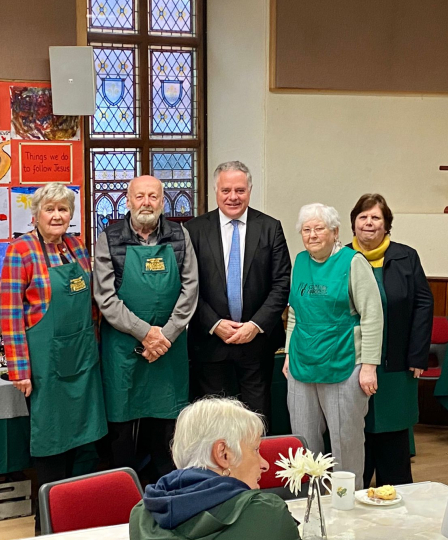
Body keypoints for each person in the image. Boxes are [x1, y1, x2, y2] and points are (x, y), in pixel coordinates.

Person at [0, 184, 107, 533]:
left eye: (64, 209)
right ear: (36, 214)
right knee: (51, 445)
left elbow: (92, 305)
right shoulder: (21, 251)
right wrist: (20, 370)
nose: (58, 216)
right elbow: (11, 313)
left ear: (71, 214)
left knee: (84, 443)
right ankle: (47, 524)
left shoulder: (77, 247)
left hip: (82, 361)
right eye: (50, 210)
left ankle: (77, 520)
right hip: (45, 366)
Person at [94, 175, 198, 480]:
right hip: (124, 350)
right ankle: (120, 496)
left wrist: (165, 335)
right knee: (121, 435)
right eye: (140, 197)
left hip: (170, 348)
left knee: (166, 431)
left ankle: (164, 492)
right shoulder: (109, 238)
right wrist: (146, 333)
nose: (146, 203)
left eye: (153, 196)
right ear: (128, 201)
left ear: (162, 201)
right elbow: (105, 297)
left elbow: (191, 289)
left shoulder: (180, 236)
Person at [283, 203, 383, 489]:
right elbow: (294, 313)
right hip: (303, 363)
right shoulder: (300, 261)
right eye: (306, 230)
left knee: (345, 441)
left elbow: (373, 316)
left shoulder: (353, 262)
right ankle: (311, 502)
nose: (312, 235)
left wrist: (369, 366)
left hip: (344, 363)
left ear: (335, 232)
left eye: (319, 229)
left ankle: (347, 501)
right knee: (303, 441)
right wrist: (289, 352)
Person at [185, 161, 291, 428]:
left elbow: (282, 282)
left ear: (250, 191)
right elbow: (187, 285)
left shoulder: (270, 228)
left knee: (256, 418)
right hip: (209, 343)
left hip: (256, 343)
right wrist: (214, 323)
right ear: (215, 191)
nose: (233, 196)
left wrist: (255, 326)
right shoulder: (194, 230)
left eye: (240, 190)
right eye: (226, 190)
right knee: (213, 421)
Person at [348, 194, 433, 488]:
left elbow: (423, 304)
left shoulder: (406, 257)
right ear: (353, 224)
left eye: (376, 218)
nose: (369, 223)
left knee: (392, 432)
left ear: (386, 225)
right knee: (356, 431)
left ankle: (394, 497)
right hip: (352, 363)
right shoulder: (341, 258)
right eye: (363, 217)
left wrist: (418, 355)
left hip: (397, 362)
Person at [129, 397, 301, 540]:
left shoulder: (141, 516)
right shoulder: (268, 514)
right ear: (223, 454)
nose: (265, 464)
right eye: (255, 450)